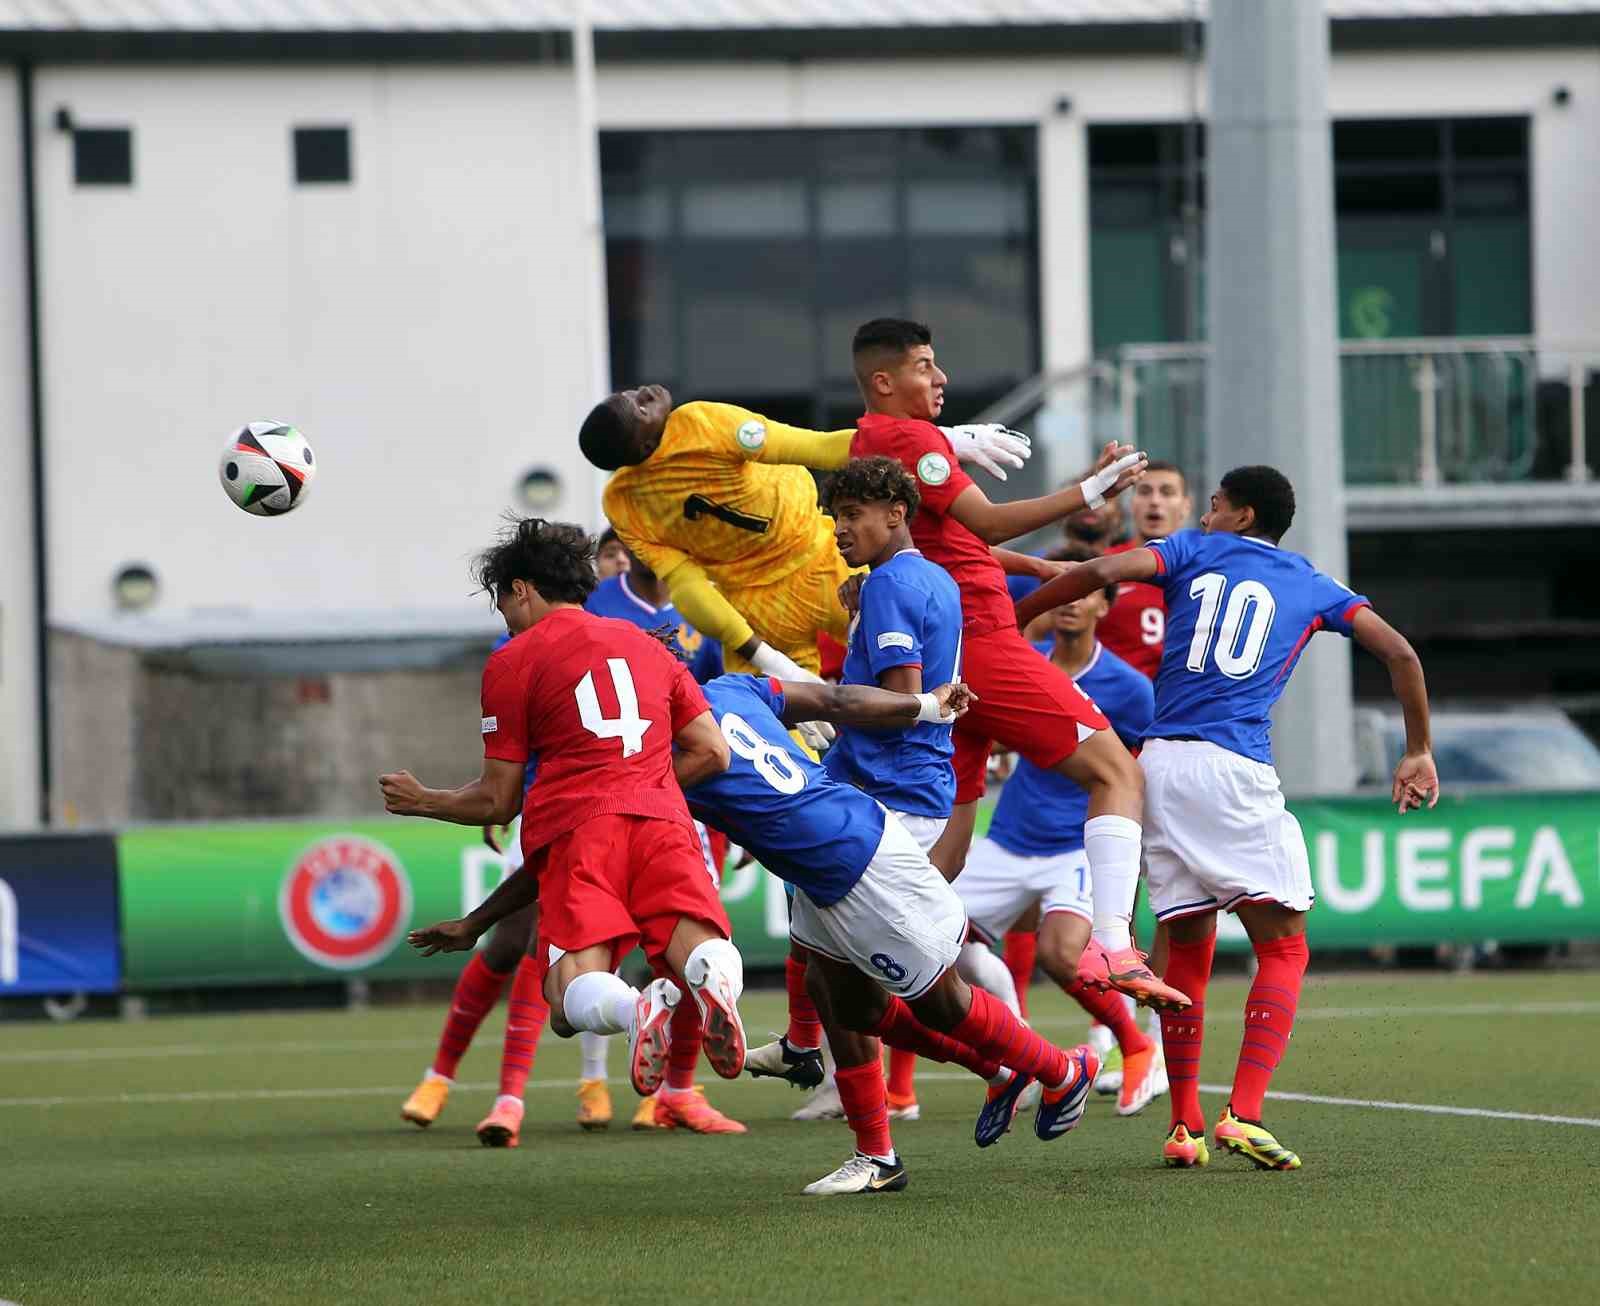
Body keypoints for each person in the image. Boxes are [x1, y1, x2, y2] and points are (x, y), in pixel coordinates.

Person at [1015, 465, 1439, 1170]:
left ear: (1242, 515)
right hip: (1230, 765)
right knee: (1285, 947)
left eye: (1214, 505)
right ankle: (1242, 1113)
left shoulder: (1188, 552)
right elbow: (1399, 651)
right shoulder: (1310, 582)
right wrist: (1418, 748)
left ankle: (1184, 1128)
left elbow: (1099, 569)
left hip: (1157, 764)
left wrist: (1013, 620)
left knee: (1187, 949)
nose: (1205, 515)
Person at [843, 318, 1186, 1011]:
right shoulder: (908, 439)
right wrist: (1090, 493)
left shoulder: (874, 444)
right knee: (1117, 771)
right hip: (982, 643)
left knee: (950, 851)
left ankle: (879, 972)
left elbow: (952, 543)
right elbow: (989, 523)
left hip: (950, 658)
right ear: (885, 381)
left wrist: (1033, 563)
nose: (939, 379)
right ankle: (1116, 943)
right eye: (925, 366)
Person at [386, 517, 749, 1139]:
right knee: (698, 948)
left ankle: (638, 1012)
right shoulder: (646, 644)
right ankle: (716, 982)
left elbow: (499, 801)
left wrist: (425, 801)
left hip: (581, 836)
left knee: (565, 993)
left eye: (503, 601)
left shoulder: (513, 661)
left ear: (522, 589)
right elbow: (714, 752)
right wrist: (646, 783)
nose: (504, 618)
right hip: (665, 821)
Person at [686, 672, 1101, 1195]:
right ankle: (878, 1156)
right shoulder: (725, 689)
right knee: (841, 1001)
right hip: (822, 860)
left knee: (942, 1003)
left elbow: (711, 762)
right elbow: (833, 697)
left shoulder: (665, 745)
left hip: (851, 860)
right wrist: (924, 705)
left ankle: (1063, 1071)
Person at [578, 385, 1028, 681]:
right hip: (825, 562)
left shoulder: (619, 501)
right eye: (638, 405)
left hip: (754, 609)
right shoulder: (698, 423)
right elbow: (815, 446)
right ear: (640, 445)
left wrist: (756, 651)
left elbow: (687, 585)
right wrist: (936, 440)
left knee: (772, 740)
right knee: (923, 671)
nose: (646, 392)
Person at [956, 546, 1167, 1117]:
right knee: (932, 942)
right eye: (1062, 592)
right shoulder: (1026, 663)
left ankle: (1135, 1044)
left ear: (1104, 605)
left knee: (1061, 955)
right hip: (1008, 837)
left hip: (1074, 844)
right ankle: (1017, 1050)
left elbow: (1137, 771)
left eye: (1084, 592)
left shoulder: (1127, 687)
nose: (1070, 604)